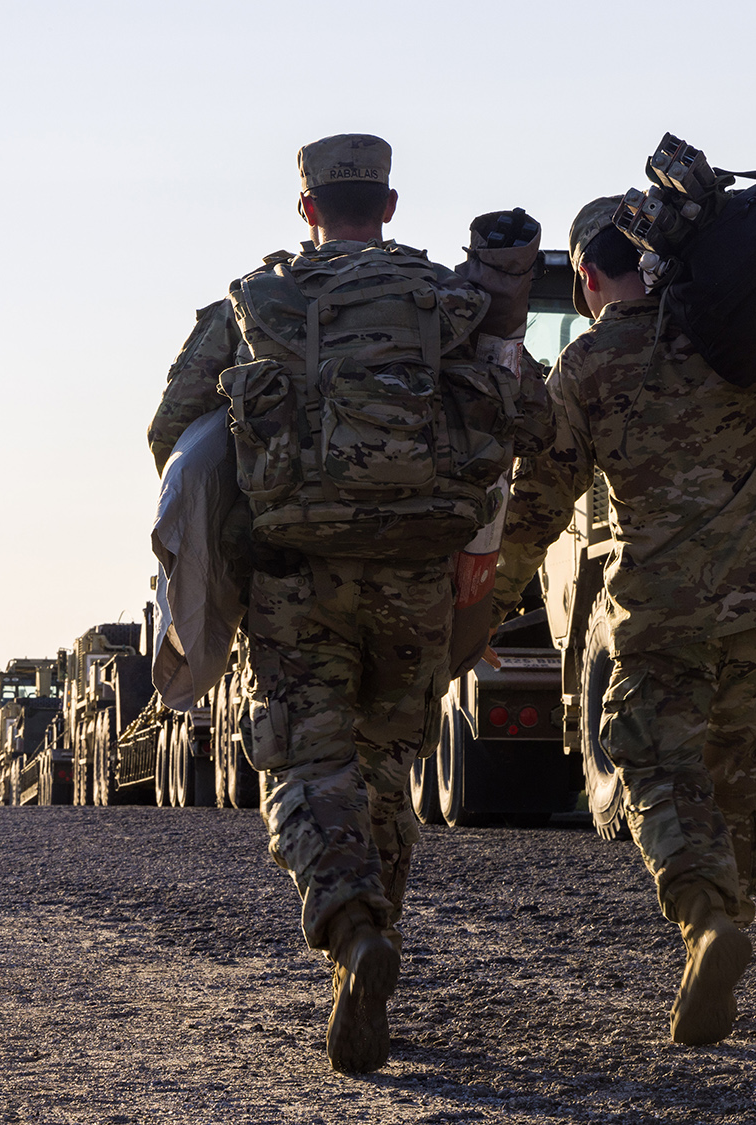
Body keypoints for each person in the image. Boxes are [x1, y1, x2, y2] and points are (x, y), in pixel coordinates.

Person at [148, 133, 544, 1074]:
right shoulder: (449, 301)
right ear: (390, 206)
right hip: (417, 574)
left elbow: (171, 431)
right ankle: (368, 954)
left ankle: (353, 927)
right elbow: (521, 416)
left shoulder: (255, 303)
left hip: (296, 574)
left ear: (308, 209)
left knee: (305, 760)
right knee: (384, 765)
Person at [495, 197, 756, 1046]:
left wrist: (486, 603)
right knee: (731, 781)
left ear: (586, 277)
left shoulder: (586, 366)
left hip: (659, 616)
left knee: (654, 769)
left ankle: (704, 924)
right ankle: (723, 944)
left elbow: (537, 503)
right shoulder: (729, 330)